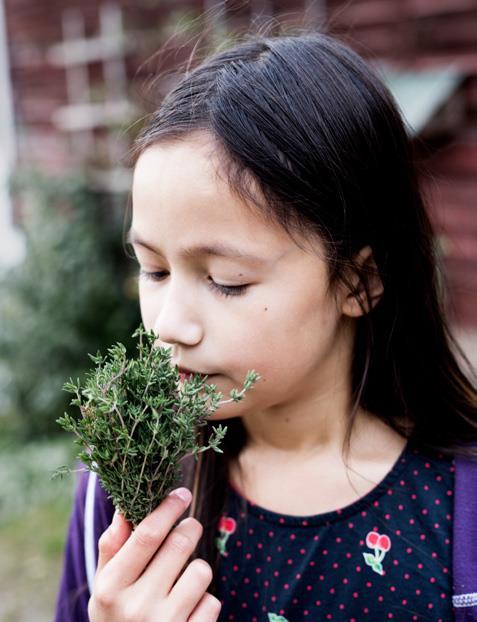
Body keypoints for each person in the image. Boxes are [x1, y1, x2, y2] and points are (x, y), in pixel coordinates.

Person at [54, 31, 477, 622]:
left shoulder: (458, 514)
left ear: (360, 281)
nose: (169, 326)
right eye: (152, 270)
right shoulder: (126, 490)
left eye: (226, 280)